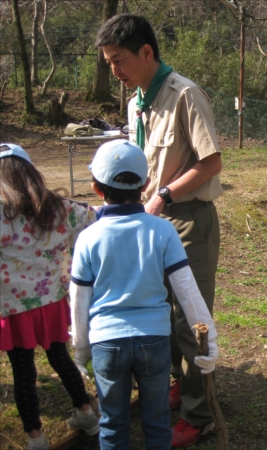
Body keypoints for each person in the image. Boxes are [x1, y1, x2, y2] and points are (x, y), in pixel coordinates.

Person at [94, 14, 223, 447]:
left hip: (187, 220)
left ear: (146, 52)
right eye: (109, 62)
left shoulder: (185, 94)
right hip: (150, 221)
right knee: (161, 313)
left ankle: (198, 413)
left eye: (119, 61)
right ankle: (179, 385)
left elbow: (211, 162)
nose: (115, 71)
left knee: (190, 319)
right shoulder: (136, 102)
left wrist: (164, 194)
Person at [69, 139, 218, 450]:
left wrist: (81, 350)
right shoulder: (163, 231)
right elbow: (187, 289)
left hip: (106, 344)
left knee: (112, 424)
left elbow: (79, 300)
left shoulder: (87, 238)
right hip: (154, 340)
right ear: (147, 184)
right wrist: (209, 342)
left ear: (97, 189)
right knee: (156, 420)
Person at [0, 143, 99, 450]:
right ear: (31, 170)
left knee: (23, 373)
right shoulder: (56, 207)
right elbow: (92, 218)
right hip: (52, 300)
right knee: (60, 357)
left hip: (13, 306)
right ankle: (87, 414)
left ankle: (36, 438)